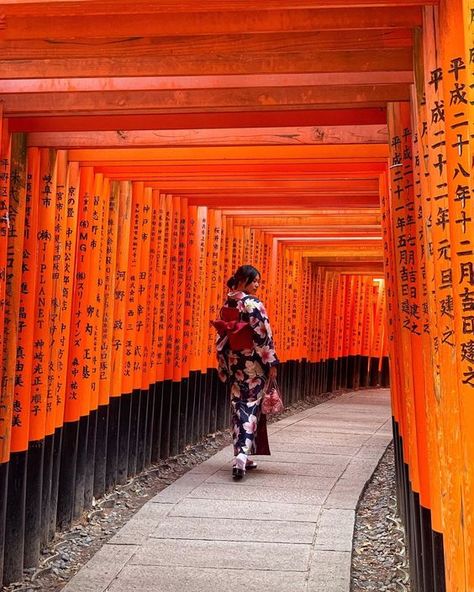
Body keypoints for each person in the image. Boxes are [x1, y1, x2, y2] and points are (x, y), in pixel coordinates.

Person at [215, 264, 279, 480]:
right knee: (251, 407)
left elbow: (222, 333)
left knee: (238, 405)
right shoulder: (253, 304)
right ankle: (242, 455)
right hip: (252, 362)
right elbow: (263, 335)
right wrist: (271, 362)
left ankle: (241, 453)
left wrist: (224, 363)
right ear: (242, 280)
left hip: (235, 361)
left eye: (258, 282)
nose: (257, 285)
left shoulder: (229, 302)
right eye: (254, 281)